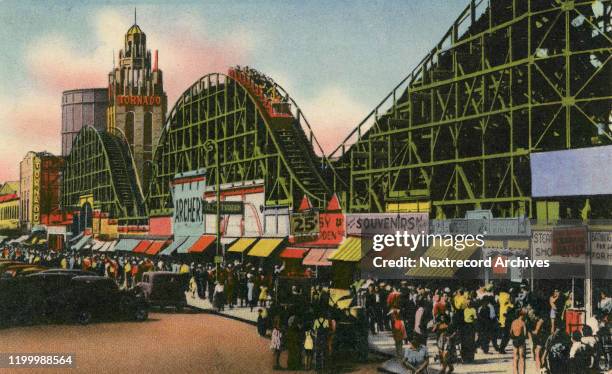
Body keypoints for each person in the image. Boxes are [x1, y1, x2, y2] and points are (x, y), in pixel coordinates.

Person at [509, 309, 528, 374]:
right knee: (522, 357)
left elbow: (510, 332)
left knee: (515, 357)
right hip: (521, 340)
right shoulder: (523, 323)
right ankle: (522, 372)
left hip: (515, 340)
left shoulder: (513, 322)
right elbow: (525, 334)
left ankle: (515, 372)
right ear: (522, 315)